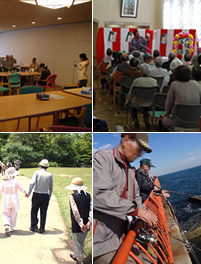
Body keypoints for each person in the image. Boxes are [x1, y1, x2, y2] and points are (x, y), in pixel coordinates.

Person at [93, 133, 158, 264]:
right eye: (139, 149)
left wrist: (145, 213)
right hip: (102, 241)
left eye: (142, 152)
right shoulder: (102, 158)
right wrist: (138, 211)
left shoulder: (130, 170)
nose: (140, 154)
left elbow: (136, 197)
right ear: (126, 139)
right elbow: (99, 193)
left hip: (123, 233)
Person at [159, 66, 201, 131]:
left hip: (178, 121)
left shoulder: (174, 85)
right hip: (195, 121)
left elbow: (169, 103)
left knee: (161, 121)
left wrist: (166, 114)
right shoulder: (195, 84)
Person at [66, 178, 91, 264]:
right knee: (81, 241)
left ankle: (79, 260)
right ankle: (75, 254)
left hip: (77, 223)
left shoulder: (72, 196)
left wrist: (80, 223)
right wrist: (89, 222)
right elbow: (91, 209)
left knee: (77, 241)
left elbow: (75, 211)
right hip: (87, 224)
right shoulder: (88, 196)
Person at [124, 64, 157, 129]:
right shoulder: (154, 81)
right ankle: (146, 117)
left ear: (140, 72)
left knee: (133, 104)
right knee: (146, 102)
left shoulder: (136, 81)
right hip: (150, 102)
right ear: (149, 72)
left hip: (137, 102)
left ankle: (135, 118)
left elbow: (131, 93)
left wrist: (127, 102)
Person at [0, 167, 27, 236]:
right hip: (14, 199)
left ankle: (6, 224)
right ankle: (11, 227)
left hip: (6, 200)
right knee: (13, 213)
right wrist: (26, 193)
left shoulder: (3, 181)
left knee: (5, 213)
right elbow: (22, 188)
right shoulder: (16, 181)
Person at [27, 159, 53, 234]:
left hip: (37, 193)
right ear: (47, 167)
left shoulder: (36, 173)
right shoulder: (49, 175)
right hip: (45, 194)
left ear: (40, 166)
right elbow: (51, 187)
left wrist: (29, 192)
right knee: (43, 211)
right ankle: (42, 227)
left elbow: (32, 183)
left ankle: (34, 226)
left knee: (34, 210)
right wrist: (50, 195)